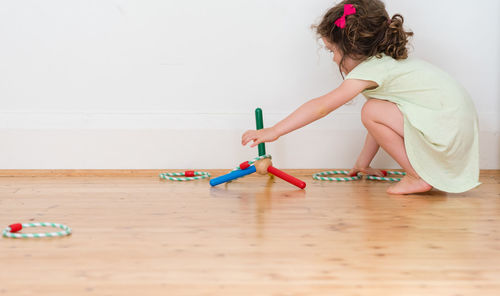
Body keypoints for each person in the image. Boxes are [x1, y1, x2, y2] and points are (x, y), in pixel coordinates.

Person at [241, 0, 480, 194]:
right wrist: (362, 163)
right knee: (374, 110)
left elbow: (322, 106)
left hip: (449, 130)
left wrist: (275, 131)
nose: (333, 58)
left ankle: (416, 176)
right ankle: (415, 173)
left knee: (371, 110)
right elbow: (377, 126)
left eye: (332, 51)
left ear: (354, 49)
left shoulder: (371, 71)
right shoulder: (384, 66)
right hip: (455, 128)